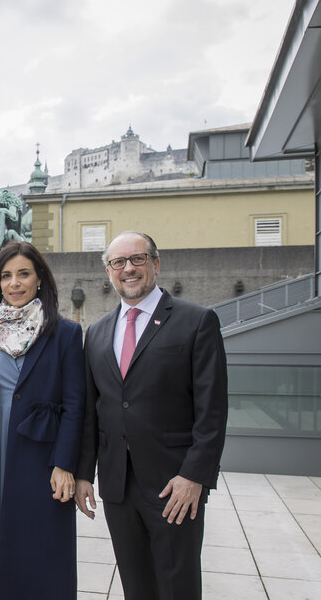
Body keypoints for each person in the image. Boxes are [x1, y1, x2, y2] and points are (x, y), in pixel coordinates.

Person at [74, 231, 228, 600]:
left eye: (137, 259)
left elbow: (213, 411)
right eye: (118, 262)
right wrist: (83, 473)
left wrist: (194, 476)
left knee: (177, 586)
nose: (128, 269)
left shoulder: (197, 321)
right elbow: (92, 413)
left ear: (156, 264)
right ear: (108, 272)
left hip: (174, 484)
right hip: (117, 485)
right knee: (136, 585)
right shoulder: (96, 333)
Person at [0, 242, 84, 598]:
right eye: (6, 276)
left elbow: (75, 404)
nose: (14, 283)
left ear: (40, 279)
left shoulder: (64, 334)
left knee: (43, 547)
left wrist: (65, 464)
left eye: (23, 274)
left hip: (43, 457)